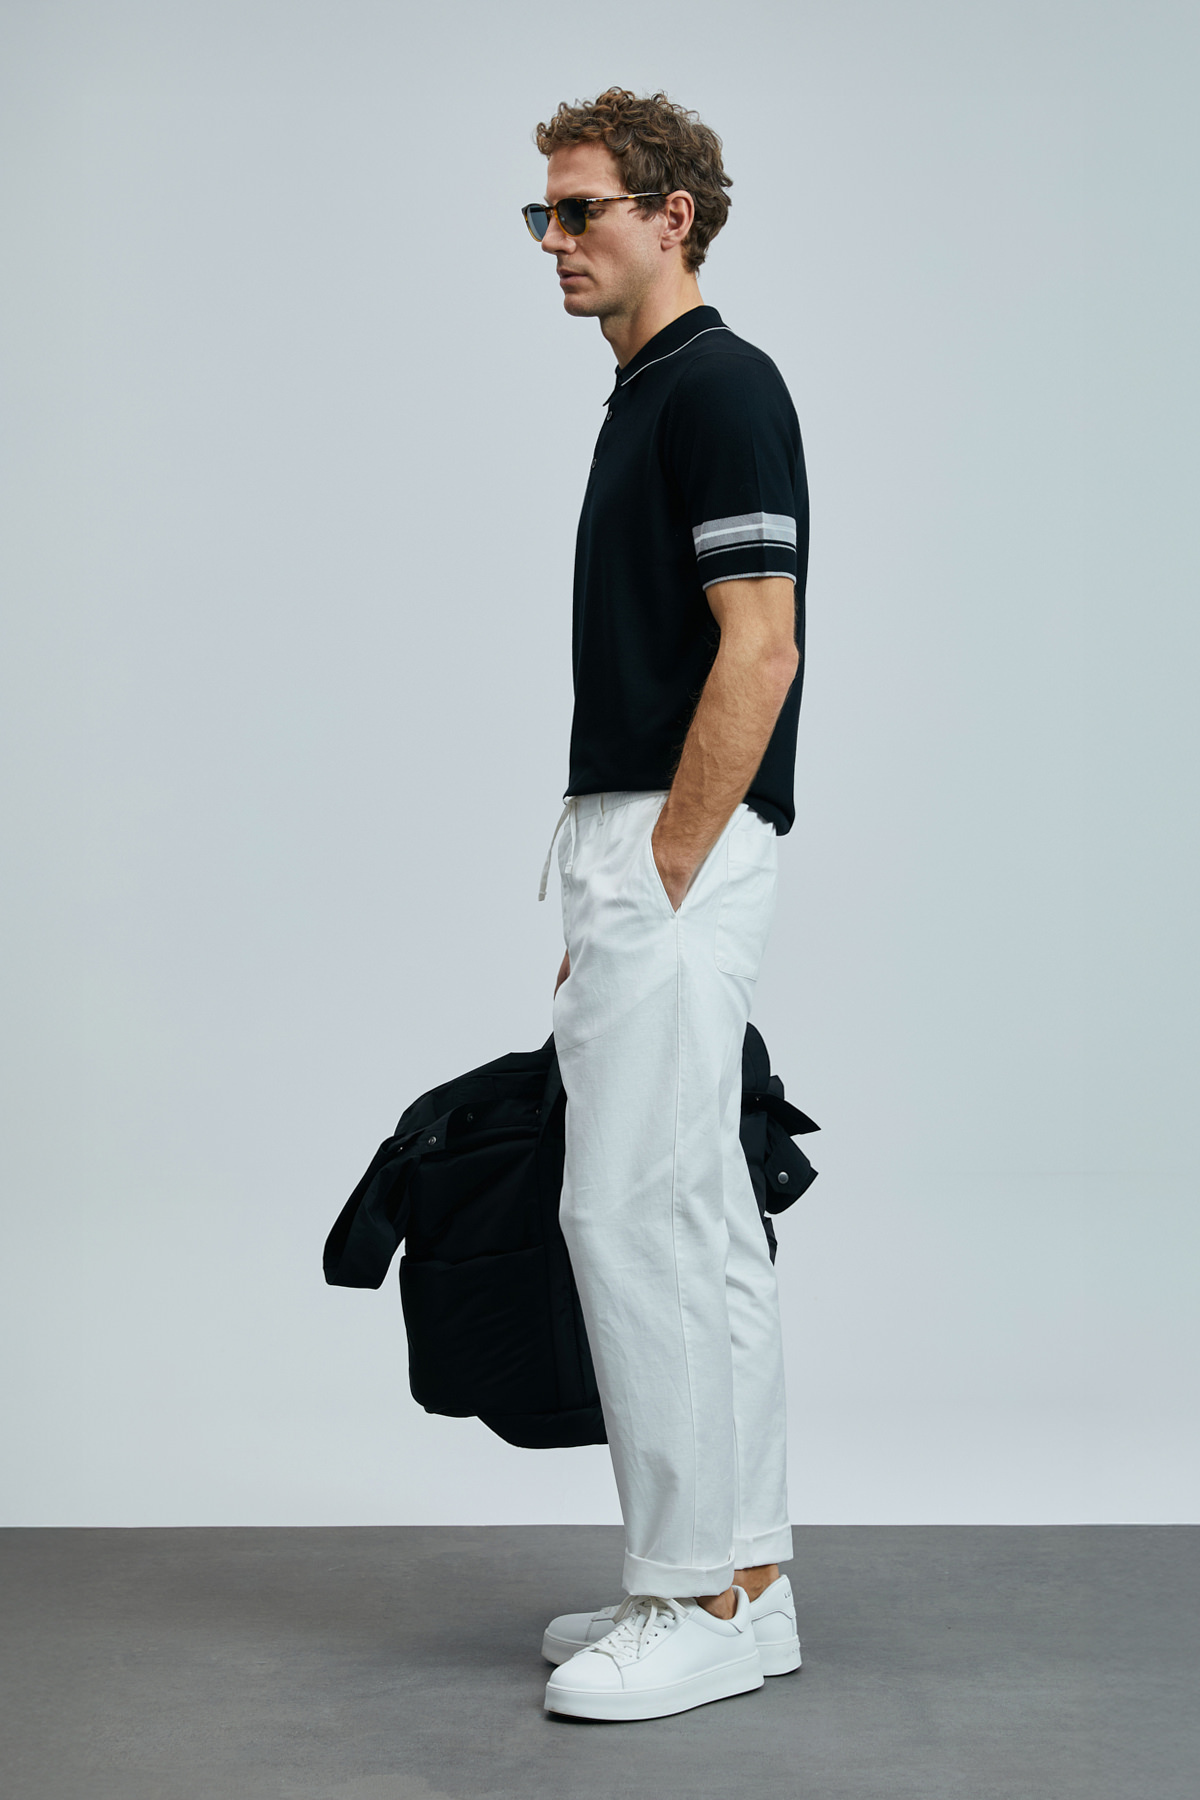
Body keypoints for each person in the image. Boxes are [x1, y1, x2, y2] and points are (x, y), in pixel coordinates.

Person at [525, 88, 810, 1723]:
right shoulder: (652, 392)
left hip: (673, 843)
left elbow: (759, 647)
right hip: (648, 846)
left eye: (581, 211)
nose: (555, 242)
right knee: (695, 1218)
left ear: (671, 216)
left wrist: (660, 872)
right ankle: (745, 1586)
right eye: (545, 216)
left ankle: (687, 1593)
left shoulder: (719, 386)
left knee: (629, 1215)